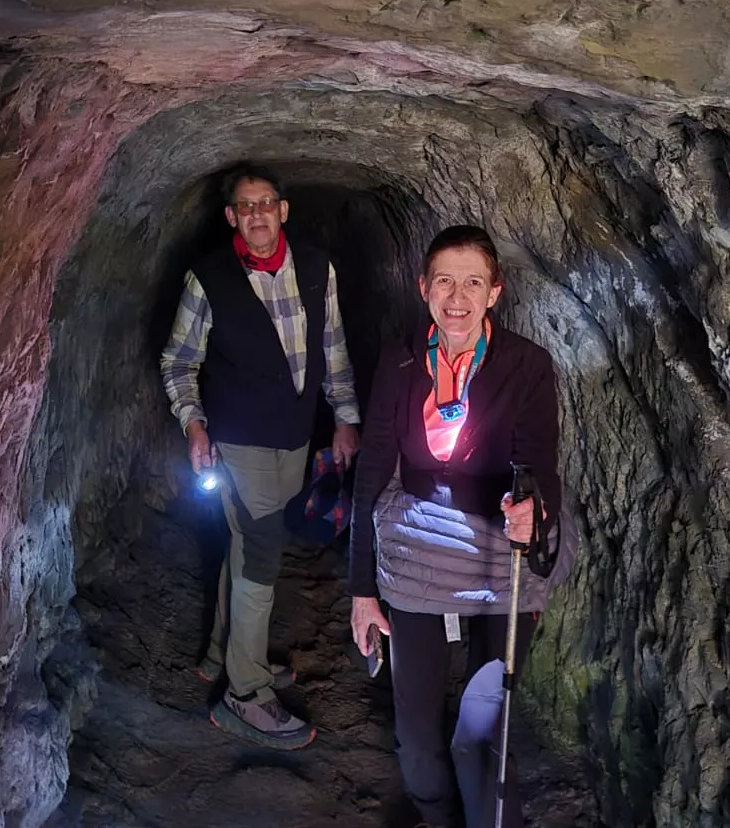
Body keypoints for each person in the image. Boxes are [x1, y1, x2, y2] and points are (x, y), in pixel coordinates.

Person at [348, 225, 571, 828]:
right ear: (423, 287)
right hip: (417, 551)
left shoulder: (527, 365)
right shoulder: (398, 362)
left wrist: (535, 511)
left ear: (494, 292)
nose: (457, 296)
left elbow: (538, 466)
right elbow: (371, 473)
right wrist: (362, 592)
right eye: (444, 280)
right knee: (417, 730)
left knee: (483, 719)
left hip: (499, 554)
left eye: (473, 282)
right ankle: (436, 813)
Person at [160, 164, 361, 750]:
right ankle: (244, 694)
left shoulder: (317, 269)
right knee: (262, 557)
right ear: (231, 217)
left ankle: (226, 652)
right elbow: (178, 359)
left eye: (265, 203)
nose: (256, 215)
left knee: (249, 546)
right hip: (239, 437)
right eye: (245, 207)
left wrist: (346, 418)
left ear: (283, 210)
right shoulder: (210, 276)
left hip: (294, 435)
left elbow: (334, 350)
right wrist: (194, 425)